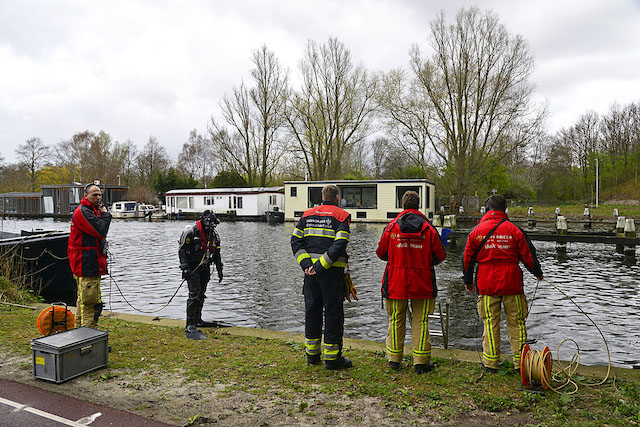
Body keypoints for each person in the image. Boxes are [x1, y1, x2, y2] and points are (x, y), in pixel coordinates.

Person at [463, 194, 543, 373]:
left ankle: (491, 363)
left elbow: (467, 259)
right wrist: (537, 273)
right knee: (517, 323)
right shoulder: (515, 230)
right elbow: (529, 256)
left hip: (486, 283)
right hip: (512, 283)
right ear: (504, 209)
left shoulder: (476, 231)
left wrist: (468, 281)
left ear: (486, 209)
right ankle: (521, 363)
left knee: (490, 323)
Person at [376, 191, 446, 374]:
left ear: (402, 204)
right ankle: (421, 362)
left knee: (396, 319)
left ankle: (394, 359)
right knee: (421, 320)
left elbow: (381, 252)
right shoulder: (428, 228)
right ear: (418, 205)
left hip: (395, 281)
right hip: (422, 281)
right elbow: (440, 255)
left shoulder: (391, 227)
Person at [291, 184, 355, 370]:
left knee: (312, 311)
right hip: (331, 273)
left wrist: (307, 265)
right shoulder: (341, 216)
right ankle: (333, 359)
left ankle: (312, 355)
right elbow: (340, 243)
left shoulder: (306, 215)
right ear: (336, 198)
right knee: (333, 314)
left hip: (310, 274)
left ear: (322, 196)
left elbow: (295, 241)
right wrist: (321, 266)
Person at [67, 183, 112, 328]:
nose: (98, 197)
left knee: (83, 299)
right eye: (94, 195)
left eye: (99, 195)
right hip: (86, 264)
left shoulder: (90, 210)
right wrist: (105, 214)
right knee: (90, 303)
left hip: (86, 263)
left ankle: (79, 333)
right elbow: (100, 231)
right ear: (85, 196)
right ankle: (88, 337)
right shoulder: (83, 212)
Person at [178, 210, 224, 340]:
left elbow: (217, 253)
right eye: (209, 222)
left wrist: (220, 269)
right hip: (193, 269)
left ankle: (198, 319)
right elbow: (182, 251)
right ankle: (190, 323)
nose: (211, 226)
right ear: (203, 220)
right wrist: (185, 268)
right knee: (195, 294)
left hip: (205, 267)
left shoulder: (213, 235)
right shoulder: (191, 233)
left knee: (202, 294)